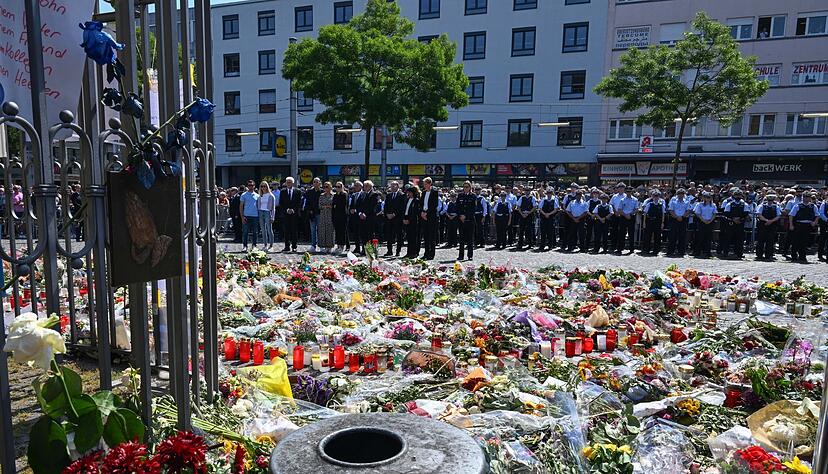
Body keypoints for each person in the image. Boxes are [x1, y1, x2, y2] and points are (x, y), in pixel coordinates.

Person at [788, 193, 819, 263]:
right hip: (798, 225)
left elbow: (817, 215)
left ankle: (802, 257)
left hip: (808, 226)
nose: (806, 198)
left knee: (804, 242)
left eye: (808, 197)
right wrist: (791, 225)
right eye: (805, 197)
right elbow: (791, 215)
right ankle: (794, 256)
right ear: (803, 197)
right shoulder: (797, 205)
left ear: (810, 198)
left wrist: (814, 222)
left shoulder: (813, 206)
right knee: (796, 241)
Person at [720, 189, 749, 259]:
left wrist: (740, 219)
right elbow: (726, 213)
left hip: (740, 223)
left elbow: (746, 213)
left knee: (739, 239)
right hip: (730, 223)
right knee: (727, 238)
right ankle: (725, 253)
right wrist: (733, 219)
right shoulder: (729, 204)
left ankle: (739, 254)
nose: (738, 196)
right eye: (736, 195)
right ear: (733, 195)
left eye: (739, 195)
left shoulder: (744, 204)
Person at [613, 184, 639, 254]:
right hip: (623, 217)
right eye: (627, 191)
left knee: (631, 233)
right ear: (626, 192)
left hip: (631, 217)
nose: (628, 193)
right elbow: (619, 209)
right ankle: (620, 248)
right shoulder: (622, 200)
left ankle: (631, 249)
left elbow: (636, 209)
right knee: (621, 233)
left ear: (632, 192)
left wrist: (630, 214)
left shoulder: (635, 200)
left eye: (630, 191)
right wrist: (625, 215)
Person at [755, 194, 782, 260]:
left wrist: (771, 221)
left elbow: (778, 216)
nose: (770, 201)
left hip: (772, 225)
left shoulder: (776, 207)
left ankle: (769, 255)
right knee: (760, 240)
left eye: (771, 200)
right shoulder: (761, 206)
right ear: (767, 200)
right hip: (762, 224)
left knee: (770, 240)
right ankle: (759, 255)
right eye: (769, 200)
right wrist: (766, 220)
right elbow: (759, 215)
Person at [667, 188, 692, 256]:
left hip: (683, 220)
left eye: (682, 194)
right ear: (677, 194)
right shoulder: (673, 201)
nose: (681, 195)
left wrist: (682, 217)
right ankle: (670, 251)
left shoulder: (687, 202)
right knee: (672, 236)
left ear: (684, 195)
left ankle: (681, 251)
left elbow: (688, 210)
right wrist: (676, 217)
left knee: (682, 236)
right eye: (679, 194)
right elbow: (671, 210)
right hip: (674, 219)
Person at [455, 181, 477, 261]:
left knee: (470, 239)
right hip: (461, 220)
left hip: (470, 220)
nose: (465, 188)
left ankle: (470, 255)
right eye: (464, 187)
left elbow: (473, 209)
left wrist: (466, 216)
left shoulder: (473, 196)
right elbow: (457, 207)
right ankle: (461, 255)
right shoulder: (460, 195)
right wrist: (460, 215)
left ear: (470, 188)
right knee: (461, 239)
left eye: (467, 187)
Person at [280, 177, 302, 252]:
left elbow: (299, 203)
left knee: (294, 230)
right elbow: (281, 203)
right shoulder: (283, 191)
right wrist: (287, 209)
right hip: (285, 214)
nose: (288, 183)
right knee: (286, 230)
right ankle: (287, 246)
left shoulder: (298, 191)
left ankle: (294, 246)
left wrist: (293, 210)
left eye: (290, 182)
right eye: (287, 182)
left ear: (293, 183)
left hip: (294, 214)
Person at [640, 190, 665, 255]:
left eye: (657, 196)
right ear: (652, 196)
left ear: (659, 197)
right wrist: (644, 223)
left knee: (657, 236)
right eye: (654, 196)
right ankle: (646, 249)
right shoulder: (649, 204)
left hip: (658, 222)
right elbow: (645, 214)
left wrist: (662, 223)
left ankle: (656, 250)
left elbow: (663, 214)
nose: (656, 197)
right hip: (650, 221)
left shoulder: (661, 205)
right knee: (647, 236)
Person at [692, 192, 717, 258]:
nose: (707, 199)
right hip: (701, 222)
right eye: (706, 197)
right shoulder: (699, 204)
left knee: (708, 238)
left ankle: (707, 252)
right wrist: (703, 220)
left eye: (709, 197)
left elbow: (714, 214)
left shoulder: (713, 205)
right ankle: (697, 252)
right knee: (700, 237)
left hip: (710, 222)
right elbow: (697, 213)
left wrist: (710, 220)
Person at [420, 177, 439, 260]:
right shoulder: (423, 192)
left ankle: (432, 253)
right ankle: (426, 253)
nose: (424, 185)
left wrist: (427, 212)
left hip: (431, 215)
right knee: (426, 235)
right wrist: (422, 212)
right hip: (424, 214)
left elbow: (434, 204)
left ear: (429, 184)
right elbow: (421, 203)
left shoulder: (434, 192)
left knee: (432, 236)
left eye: (425, 184)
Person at [383, 181, 405, 257]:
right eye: (391, 186)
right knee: (389, 235)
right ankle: (389, 251)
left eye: (393, 186)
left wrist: (394, 214)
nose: (392, 187)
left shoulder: (402, 195)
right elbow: (386, 206)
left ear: (397, 186)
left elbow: (402, 207)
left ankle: (398, 251)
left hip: (398, 218)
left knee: (399, 235)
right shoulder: (389, 195)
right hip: (389, 218)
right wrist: (387, 214)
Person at [358, 180, 380, 253]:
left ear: (370, 186)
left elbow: (372, 206)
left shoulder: (374, 194)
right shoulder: (362, 194)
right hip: (362, 218)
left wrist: (365, 214)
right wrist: (360, 213)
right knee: (363, 234)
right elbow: (359, 204)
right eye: (364, 186)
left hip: (370, 218)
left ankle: (371, 250)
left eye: (366, 186)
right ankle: (364, 249)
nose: (364, 187)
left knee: (370, 234)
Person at [239, 181, 260, 250]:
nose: (251, 186)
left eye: (252, 185)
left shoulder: (257, 196)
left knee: (255, 232)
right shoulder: (244, 195)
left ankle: (254, 246)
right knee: (245, 232)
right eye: (249, 185)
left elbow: (259, 206)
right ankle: (245, 246)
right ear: (247, 186)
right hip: (246, 216)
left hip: (255, 216)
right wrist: (242, 217)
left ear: (254, 186)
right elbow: (241, 206)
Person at [402, 185, 421, 259]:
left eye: (409, 192)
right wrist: (404, 218)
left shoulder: (416, 200)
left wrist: (409, 219)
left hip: (413, 221)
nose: (408, 194)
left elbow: (415, 212)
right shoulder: (407, 200)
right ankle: (409, 252)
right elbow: (405, 209)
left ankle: (414, 252)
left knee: (414, 237)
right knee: (409, 237)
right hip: (406, 218)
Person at [304, 178, 322, 252]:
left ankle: (321, 245)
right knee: (313, 230)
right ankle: (313, 245)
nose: (315, 183)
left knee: (320, 230)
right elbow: (307, 203)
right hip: (312, 214)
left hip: (320, 213)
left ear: (320, 183)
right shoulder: (309, 192)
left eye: (317, 182)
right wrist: (310, 210)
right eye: (314, 182)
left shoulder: (322, 192)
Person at [258, 182, 276, 250]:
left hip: (268, 212)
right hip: (261, 212)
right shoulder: (260, 196)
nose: (263, 188)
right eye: (261, 186)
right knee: (263, 230)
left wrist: (272, 217)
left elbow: (273, 208)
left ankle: (271, 245)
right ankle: (265, 245)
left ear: (267, 187)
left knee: (269, 229)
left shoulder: (271, 196)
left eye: (264, 186)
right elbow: (258, 205)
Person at [317, 181, 335, 252]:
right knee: (322, 230)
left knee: (330, 230)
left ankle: (329, 246)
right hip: (323, 215)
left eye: (327, 186)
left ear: (330, 187)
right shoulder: (321, 195)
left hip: (330, 215)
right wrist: (326, 206)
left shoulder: (333, 195)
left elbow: (334, 205)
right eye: (324, 187)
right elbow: (319, 205)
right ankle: (322, 246)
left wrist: (329, 206)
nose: (325, 188)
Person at [332, 182, 349, 254]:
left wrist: (336, 205)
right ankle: (338, 245)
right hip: (336, 215)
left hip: (343, 215)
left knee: (342, 231)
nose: (337, 188)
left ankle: (342, 246)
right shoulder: (335, 195)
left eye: (339, 187)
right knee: (337, 231)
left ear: (342, 187)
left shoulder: (344, 194)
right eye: (336, 187)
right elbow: (333, 205)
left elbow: (343, 205)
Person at [348, 181, 363, 253]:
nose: (355, 187)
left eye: (357, 185)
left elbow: (363, 205)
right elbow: (351, 205)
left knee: (362, 233)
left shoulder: (363, 194)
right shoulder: (353, 195)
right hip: (354, 217)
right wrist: (351, 210)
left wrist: (357, 210)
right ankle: (357, 248)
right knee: (355, 233)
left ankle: (363, 248)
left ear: (361, 186)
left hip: (361, 216)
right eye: (355, 186)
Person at [819, 196, 828, 261]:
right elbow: (821, 213)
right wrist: (827, 219)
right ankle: (820, 254)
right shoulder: (824, 204)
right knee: (822, 239)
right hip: (824, 224)